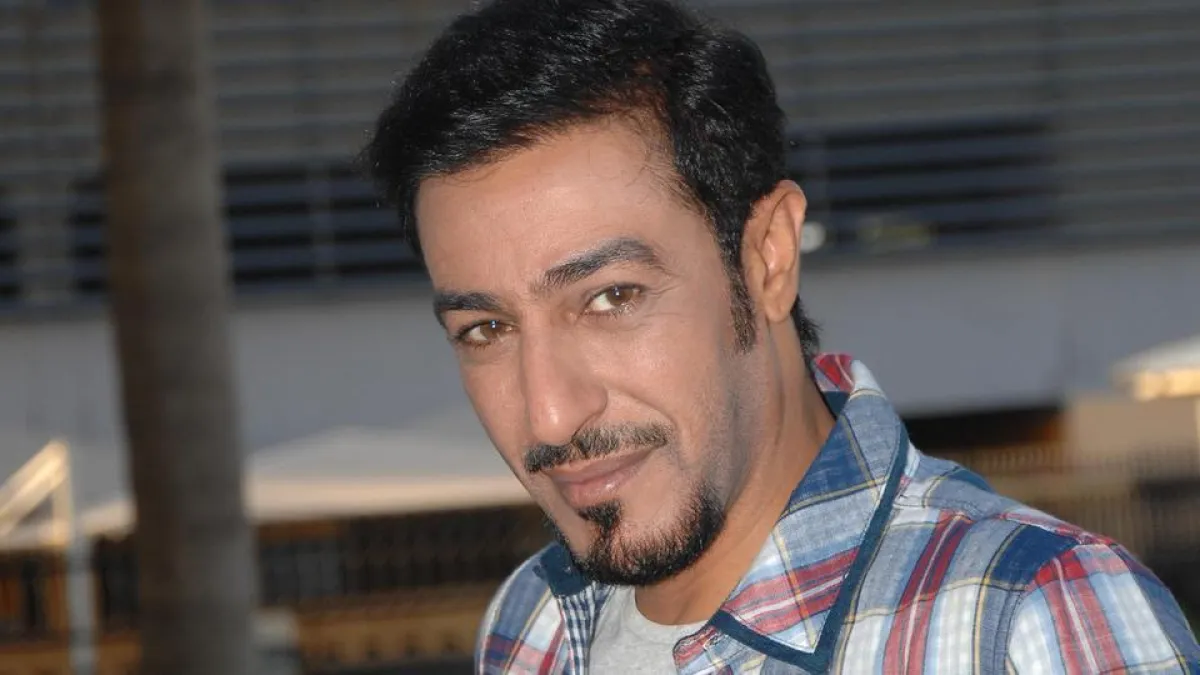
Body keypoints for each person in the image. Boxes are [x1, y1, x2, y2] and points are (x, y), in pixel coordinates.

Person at [364, 0, 1200, 672]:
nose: (549, 413)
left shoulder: (1027, 619)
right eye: (485, 328)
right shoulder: (535, 621)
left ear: (767, 256)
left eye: (611, 297)